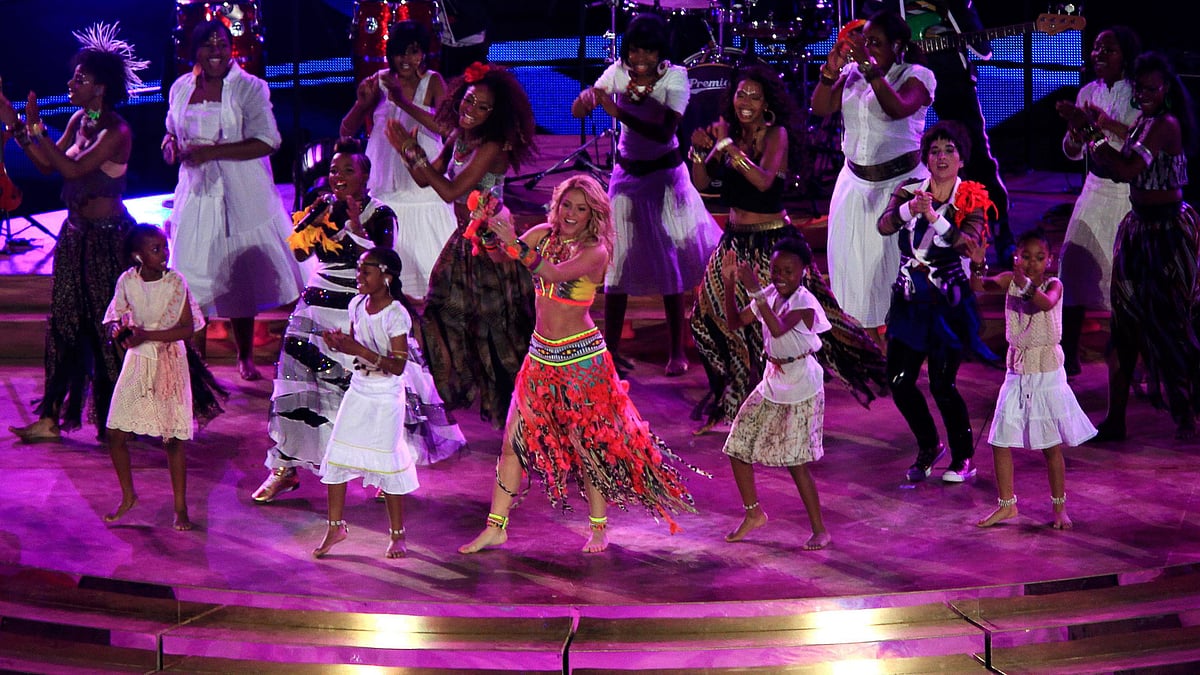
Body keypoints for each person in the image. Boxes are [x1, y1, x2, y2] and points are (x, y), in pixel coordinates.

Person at [458, 175, 701, 555]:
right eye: (566, 205)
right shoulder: (543, 234)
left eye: (580, 208)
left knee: (587, 445)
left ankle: (599, 529)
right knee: (511, 443)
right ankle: (496, 526)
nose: (570, 214)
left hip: (581, 360)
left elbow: (551, 273)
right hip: (540, 356)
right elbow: (502, 254)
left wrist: (510, 242)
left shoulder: (596, 251)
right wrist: (488, 229)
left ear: (594, 214)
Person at [253, 142, 464, 503]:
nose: (338, 177)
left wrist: (353, 225)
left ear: (366, 176)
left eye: (348, 171)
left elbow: (383, 258)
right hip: (314, 311)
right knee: (298, 390)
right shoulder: (320, 206)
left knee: (366, 396)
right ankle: (285, 467)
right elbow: (302, 251)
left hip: (359, 316)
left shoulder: (381, 214)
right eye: (334, 171)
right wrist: (313, 223)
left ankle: (381, 469)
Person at [688, 63, 888, 432]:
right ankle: (733, 398)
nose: (745, 102)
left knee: (771, 326)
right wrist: (700, 152)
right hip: (733, 240)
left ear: (767, 103)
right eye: (740, 94)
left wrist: (727, 147)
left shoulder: (775, 134)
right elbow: (702, 183)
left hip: (771, 245)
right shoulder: (728, 135)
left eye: (754, 96)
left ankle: (771, 405)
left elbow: (764, 182)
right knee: (704, 320)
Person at [2, 24, 145, 443]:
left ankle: (124, 415)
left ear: (100, 88)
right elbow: (48, 166)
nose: (71, 83)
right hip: (75, 236)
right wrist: (17, 125)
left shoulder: (116, 132)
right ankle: (49, 417)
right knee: (63, 322)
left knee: (111, 327)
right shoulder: (80, 119)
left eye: (80, 79)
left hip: (109, 241)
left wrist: (36, 131)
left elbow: (73, 170)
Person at [385, 62, 537, 425]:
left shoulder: (491, 146)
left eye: (483, 107)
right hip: (464, 241)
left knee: (498, 331)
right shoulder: (459, 137)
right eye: (469, 101)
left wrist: (412, 151)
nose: (472, 111)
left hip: (491, 245)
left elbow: (452, 189)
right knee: (442, 312)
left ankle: (518, 414)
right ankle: (455, 391)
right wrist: (407, 152)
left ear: (495, 114)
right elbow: (425, 180)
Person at [571, 13, 721, 376]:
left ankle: (676, 349)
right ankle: (609, 350)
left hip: (665, 178)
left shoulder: (675, 78)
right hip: (625, 175)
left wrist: (617, 111)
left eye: (648, 51)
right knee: (617, 261)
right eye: (635, 50)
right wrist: (587, 100)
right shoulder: (618, 72)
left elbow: (662, 131)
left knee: (668, 258)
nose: (640, 58)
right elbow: (581, 108)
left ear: (660, 52)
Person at [162, 19, 303, 381]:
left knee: (238, 276)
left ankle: (245, 355)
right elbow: (171, 130)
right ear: (194, 51)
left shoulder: (250, 88)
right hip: (195, 195)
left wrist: (213, 153)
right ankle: (196, 368)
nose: (216, 52)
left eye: (222, 44)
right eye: (208, 45)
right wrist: (170, 145)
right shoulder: (180, 88)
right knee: (191, 277)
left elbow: (268, 140)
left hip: (239, 194)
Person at [1076, 52, 1200, 441]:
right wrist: (1087, 136)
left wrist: (1094, 134)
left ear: (1167, 89)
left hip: (1168, 235)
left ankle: (1186, 409)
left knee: (1174, 326)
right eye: (1140, 88)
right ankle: (1116, 419)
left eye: (1151, 88)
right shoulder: (1144, 122)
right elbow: (1114, 165)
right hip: (1138, 230)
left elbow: (1127, 169)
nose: (1144, 94)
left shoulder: (1165, 125)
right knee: (1125, 323)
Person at [877, 121, 995, 482]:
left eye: (949, 150)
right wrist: (910, 209)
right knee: (899, 380)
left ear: (961, 158)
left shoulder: (970, 197)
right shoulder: (909, 190)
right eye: (935, 150)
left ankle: (963, 458)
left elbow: (966, 244)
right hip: (910, 302)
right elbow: (884, 226)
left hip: (947, 303)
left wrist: (932, 217)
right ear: (926, 157)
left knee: (943, 384)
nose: (941, 156)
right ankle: (929, 445)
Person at [811, 10, 936, 347]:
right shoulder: (852, 73)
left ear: (897, 46)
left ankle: (900, 344)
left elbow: (897, 108)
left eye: (876, 43)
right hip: (854, 185)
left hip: (900, 188)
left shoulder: (918, 76)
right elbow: (821, 107)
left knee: (893, 271)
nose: (866, 48)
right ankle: (868, 344)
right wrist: (831, 70)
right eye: (864, 41)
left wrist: (868, 67)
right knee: (855, 269)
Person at [863, 0, 1013, 266]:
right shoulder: (881, 4)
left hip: (951, 81)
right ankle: (897, 236)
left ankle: (1000, 233)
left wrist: (949, 24)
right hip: (897, 82)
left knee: (975, 158)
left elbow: (983, 49)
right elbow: (872, 39)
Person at [972, 230, 1096, 530]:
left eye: (1039, 258)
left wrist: (1022, 283)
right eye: (1025, 256)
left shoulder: (1055, 285)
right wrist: (977, 264)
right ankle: (1007, 505)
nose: (1032, 263)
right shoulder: (1009, 280)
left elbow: (1043, 303)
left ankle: (1059, 509)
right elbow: (979, 285)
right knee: (999, 439)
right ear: (1016, 256)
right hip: (1016, 372)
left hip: (1046, 374)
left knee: (1050, 446)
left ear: (1050, 259)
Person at [719, 238, 832, 550]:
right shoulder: (768, 293)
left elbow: (780, 328)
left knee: (796, 462)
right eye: (775, 270)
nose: (780, 276)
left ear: (803, 273)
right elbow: (734, 322)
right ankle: (753, 513)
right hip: (773, 378)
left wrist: (754, 289)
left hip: (801, 384)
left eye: (788, 271)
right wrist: (730, 284)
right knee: (737, 445)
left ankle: (820, 529)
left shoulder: (806, 304)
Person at [312, 247, 419, 560]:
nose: (358, 277)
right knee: (337, 458)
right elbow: (356, 347)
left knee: (387, 464)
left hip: (386, 396)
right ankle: (335, 526)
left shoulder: (397, 314)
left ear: (386, 276)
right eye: (358, 270)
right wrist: (340, 343)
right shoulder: (356, 304)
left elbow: (398, 366)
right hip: (358, 390)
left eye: (365, 271)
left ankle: (397, 534)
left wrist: (356, 346)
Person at [101, 225, 210, 531]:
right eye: (155, 249)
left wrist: (147, 334)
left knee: (172, 439)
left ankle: (180, 507)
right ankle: (128, 496)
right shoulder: (127, 281)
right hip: (137, 363)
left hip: (169, 363)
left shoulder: (175, 282)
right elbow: (115, 316)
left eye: (164, 246)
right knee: (115, 433)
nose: (163, 253)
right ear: (138, 255)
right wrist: (119, 332)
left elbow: (188, 328)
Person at [339, 20, 456, 299]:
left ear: (423, 54)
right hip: (384, 184)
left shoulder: (434, 82)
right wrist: (361, 103)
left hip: (421, 186)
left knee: (430, 286)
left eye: (414, 52)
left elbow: (446, 128)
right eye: (401, 53)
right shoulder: (379, 82)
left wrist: (403, 101)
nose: (407, 59)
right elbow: (346, 129)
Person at [1055, 26, 1141, 376]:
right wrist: (1077, 135)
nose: (1098, 55)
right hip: (1093, 188)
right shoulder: (1087, 91)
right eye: (1095, 49)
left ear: (1127, 55)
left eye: (1108, 50)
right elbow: (1072, 152)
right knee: (1073, 265)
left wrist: (1102, 124)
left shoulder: (1139, 94)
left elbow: (1140, 141)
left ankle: (1126, 351)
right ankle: (1067, 352)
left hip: (1126, 193)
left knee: (1124, 274)